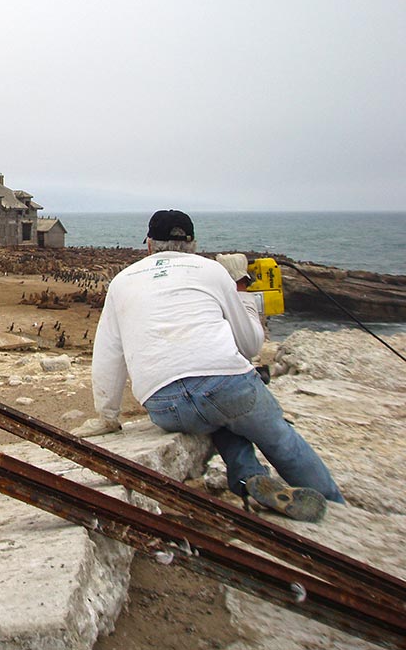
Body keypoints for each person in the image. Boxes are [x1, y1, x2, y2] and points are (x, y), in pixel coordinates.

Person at [73, 210, 344, 522]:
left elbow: (108, 353)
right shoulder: (212, 271)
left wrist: (108, 415)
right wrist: (241, 285)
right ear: (194, 244)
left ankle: (250, 478)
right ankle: (337, 512)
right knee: (279, 438)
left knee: (215, 419)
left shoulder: (121, 282)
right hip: (228, 386)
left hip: (164, 403)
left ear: (149, 243)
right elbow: (250, 344)